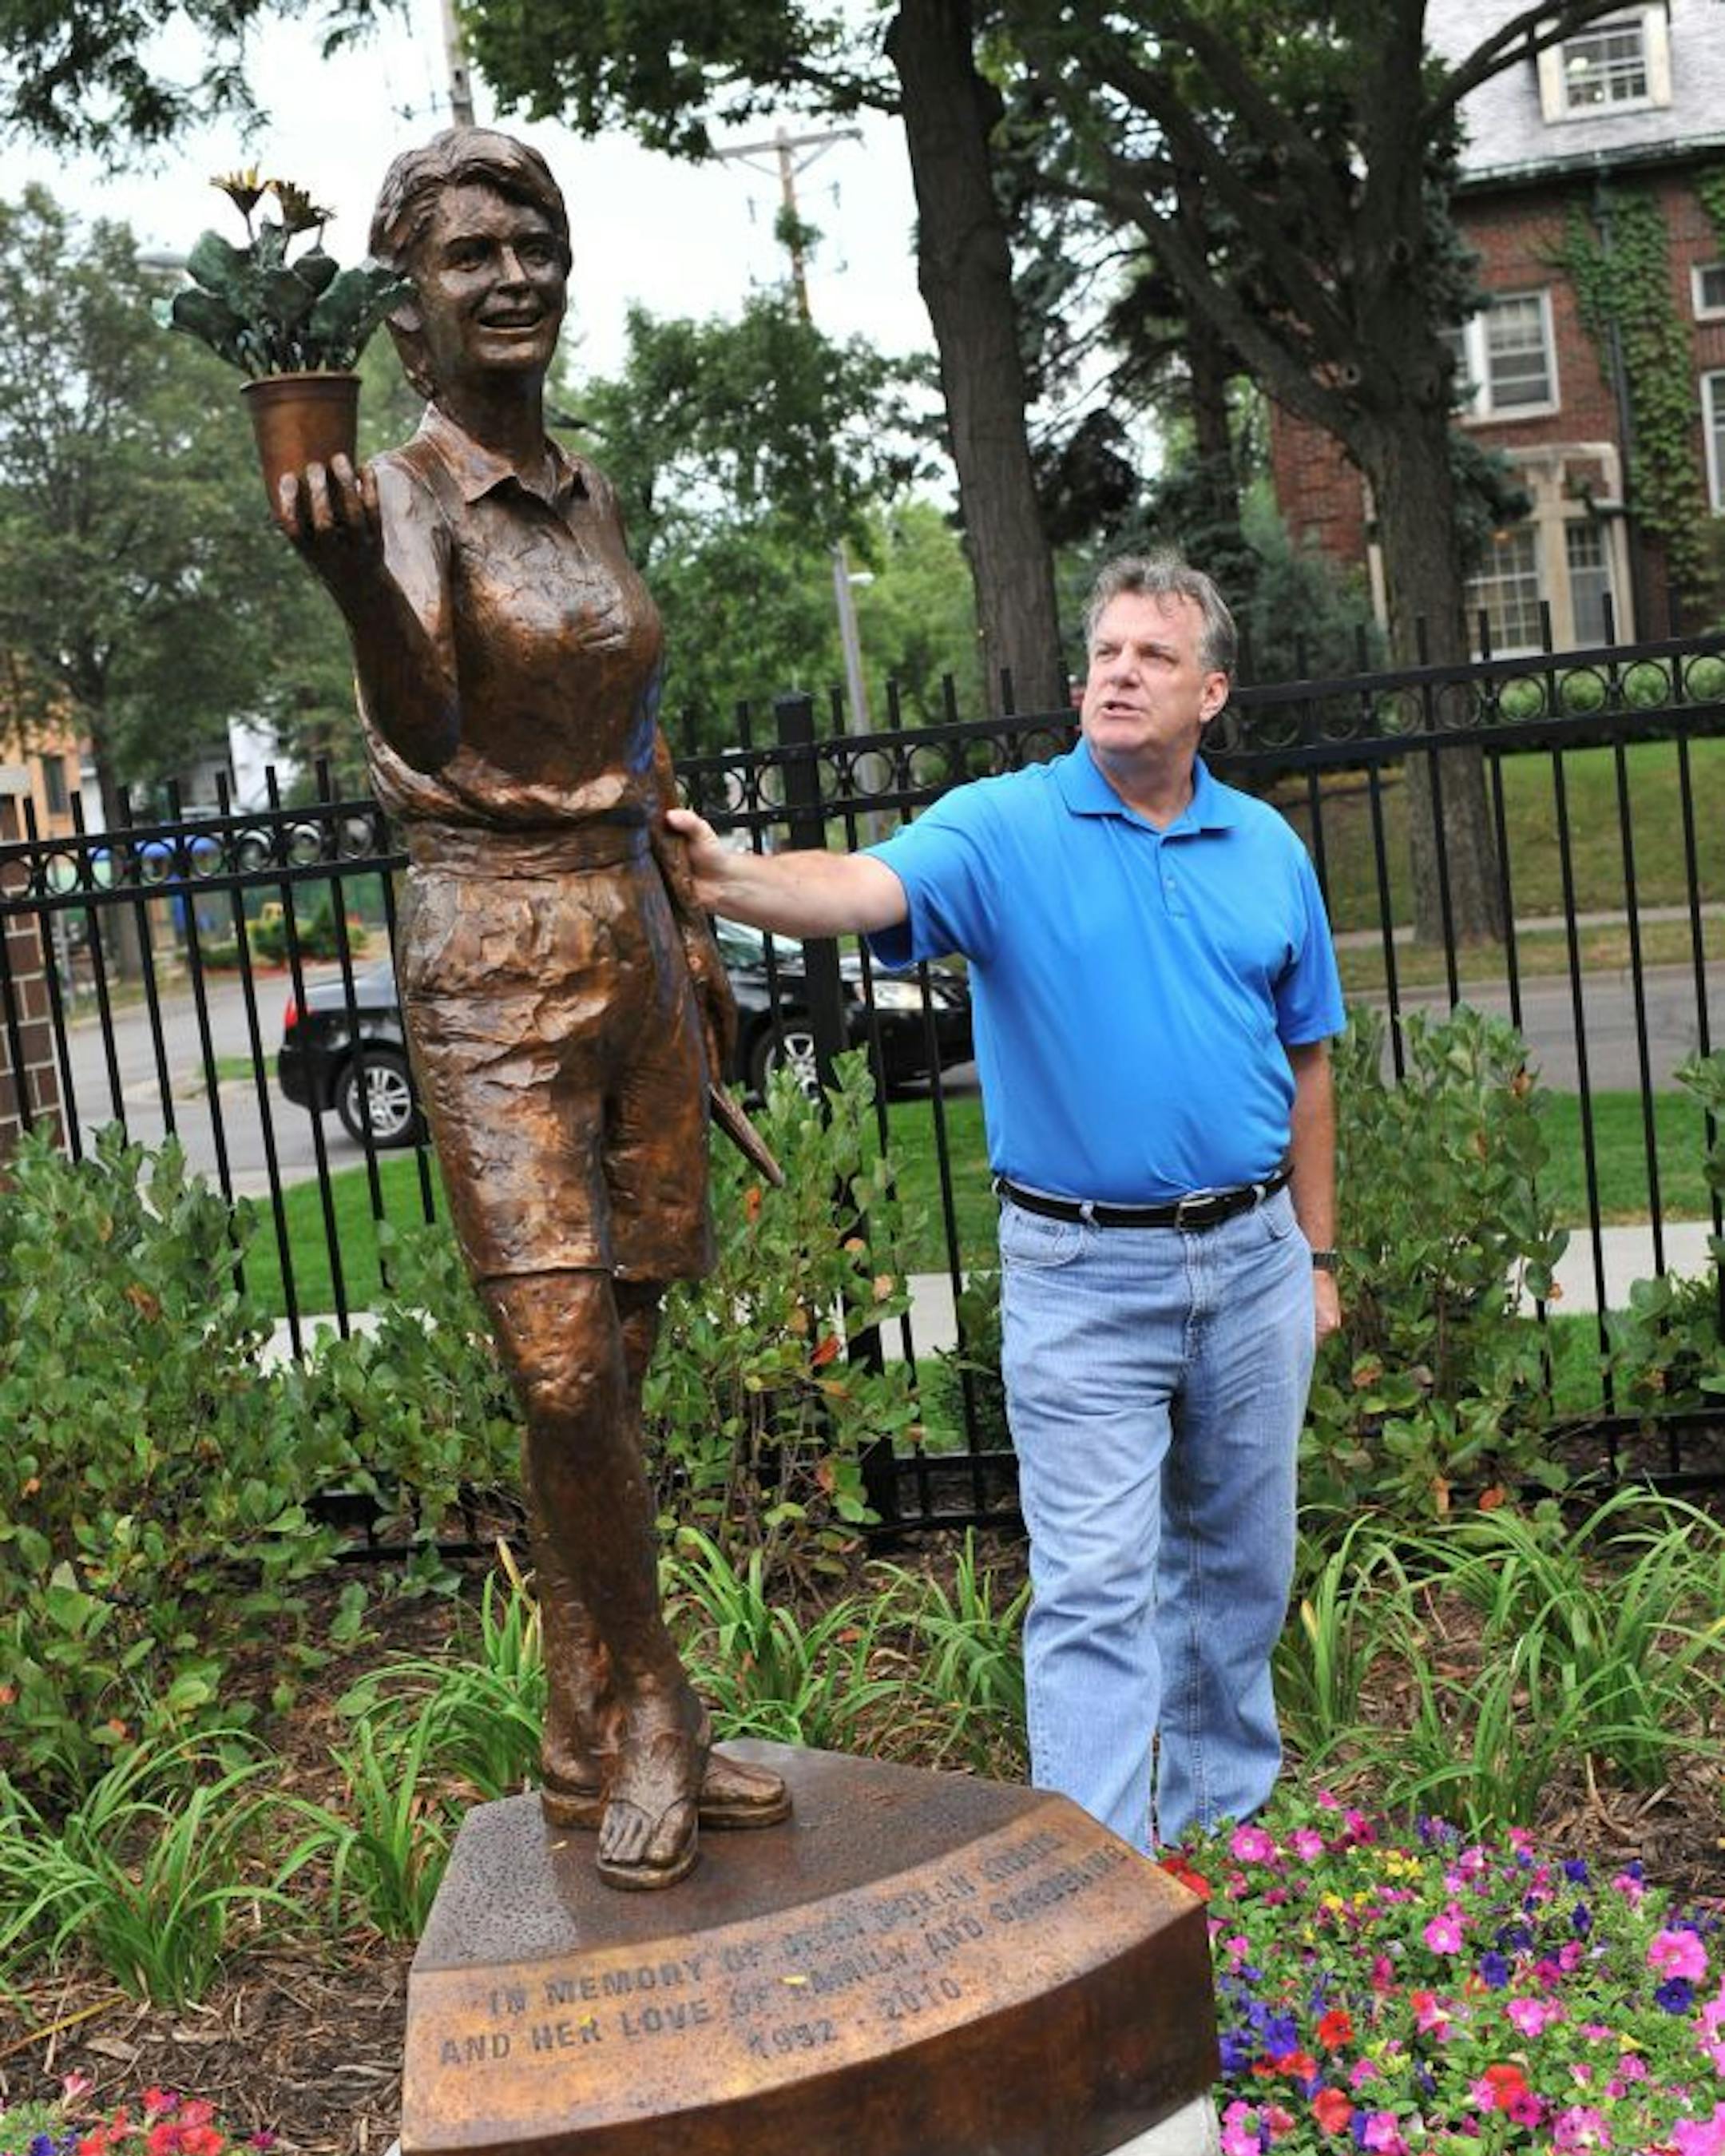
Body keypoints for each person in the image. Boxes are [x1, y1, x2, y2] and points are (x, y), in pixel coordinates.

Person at [276, 127, 788, 1888]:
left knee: (622, 1374)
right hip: (489, 951)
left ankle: (588, 1735)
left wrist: (694, 936)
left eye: (534, 245)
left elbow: (635, 726)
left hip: (633, 952)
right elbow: (425, 725)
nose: (511, 276)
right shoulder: (401, 495)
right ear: (406, 315)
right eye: (470, 254)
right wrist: (353, 582)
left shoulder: (588, 486)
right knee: (564, 1379)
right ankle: (655, 1710)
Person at [668, 554, 1345, 1850]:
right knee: (1095, 1590)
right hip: (1085, 1278)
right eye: (1105, 653)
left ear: (1212, 691)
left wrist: (1316, 1256)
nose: (1120, 673)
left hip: (1255, 1261)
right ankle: (1100, 1892)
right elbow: (862, 887)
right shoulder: (1007, 827)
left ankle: (1223, 1856)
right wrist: (729, 875)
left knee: (1239, 1577)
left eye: (1153, 655)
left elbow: (1307, 1060)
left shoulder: (1266, 849)